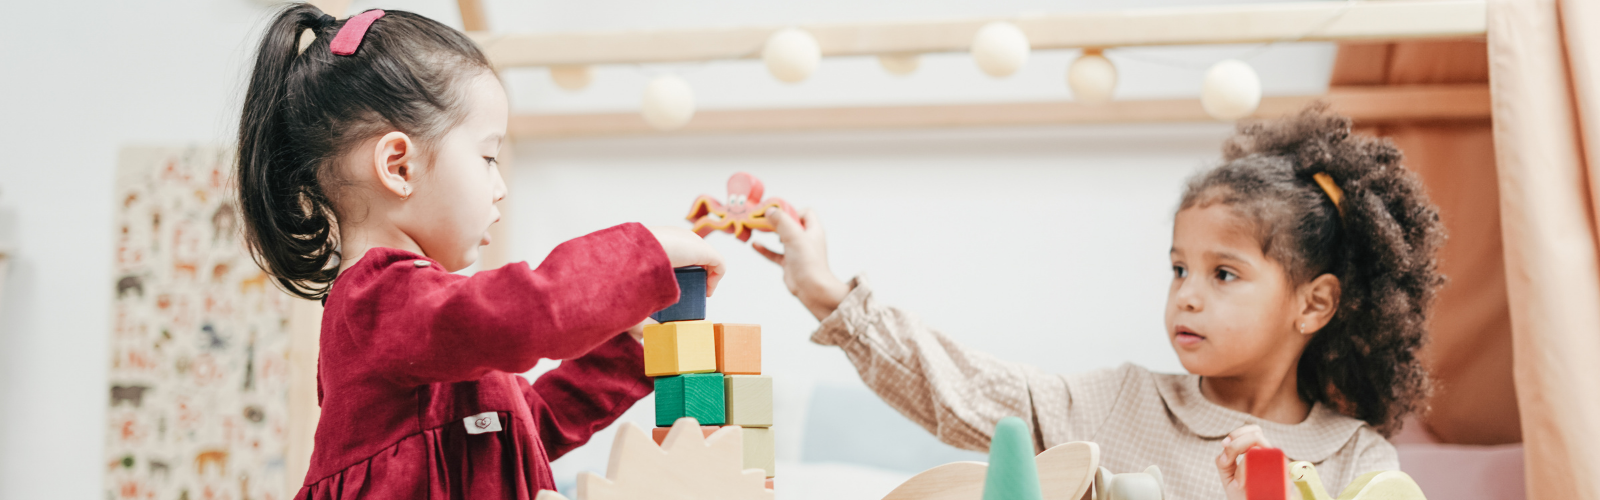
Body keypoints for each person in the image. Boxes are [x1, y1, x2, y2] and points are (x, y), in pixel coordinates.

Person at [754, 107, 1444, 500]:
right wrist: (826, 292)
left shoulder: (1356, 460)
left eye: (1223, 274)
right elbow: (957, 388)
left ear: (1314, 304)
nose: (1187, 296)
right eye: (1179, 269)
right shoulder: (1118, 404)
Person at [234, 5, 725, 498]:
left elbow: (529, 427)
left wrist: (630, 349)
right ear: (399, 167)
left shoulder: (428, 325)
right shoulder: (377, 301)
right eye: (487, 157)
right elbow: (526, 313)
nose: (500, 187)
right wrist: (645, 255)